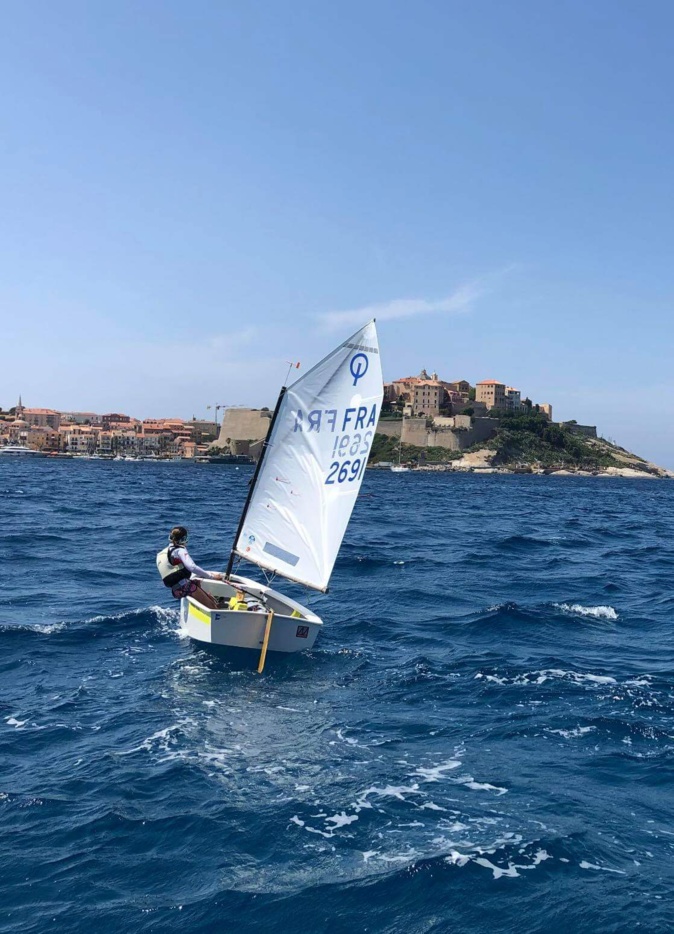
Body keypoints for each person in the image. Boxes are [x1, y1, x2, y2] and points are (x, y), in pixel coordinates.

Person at [156, 526, 224, 610]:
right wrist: (211, 576)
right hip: (185, 587)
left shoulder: (165, 552)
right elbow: (192, 567)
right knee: (213, 607)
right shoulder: (180, 550)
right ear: (183, 539)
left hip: (176, 590)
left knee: (198, 583)